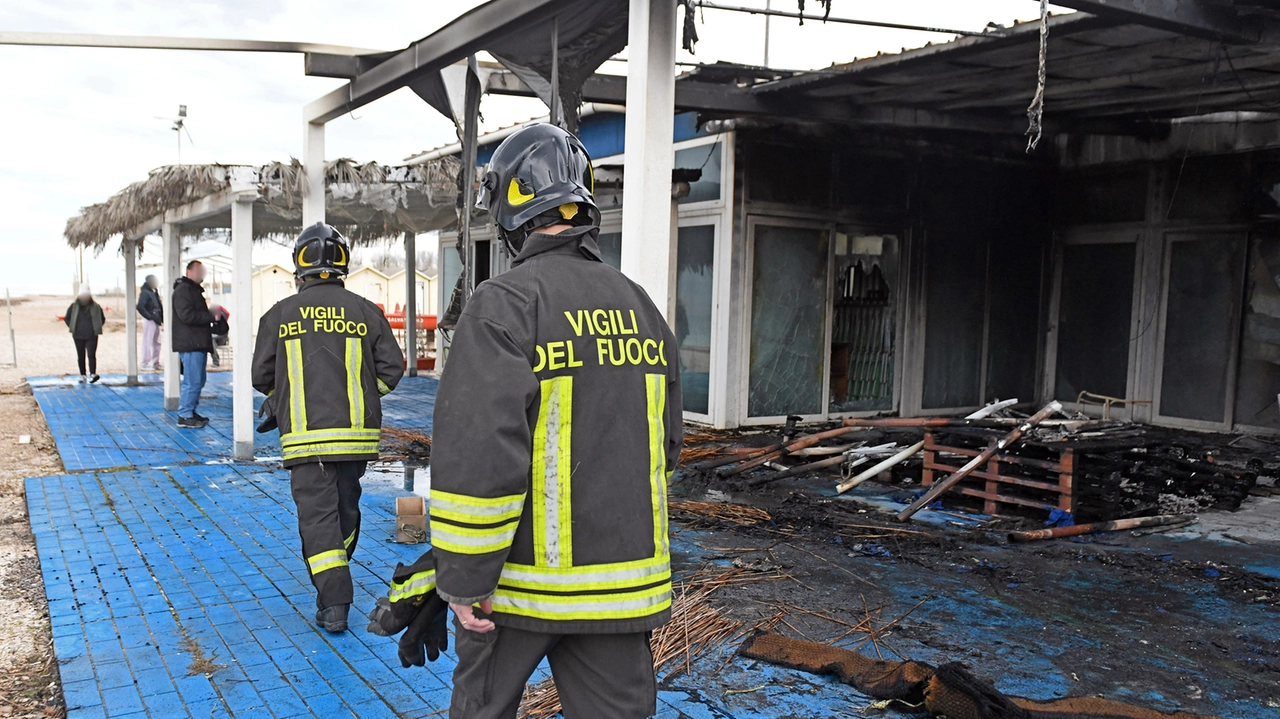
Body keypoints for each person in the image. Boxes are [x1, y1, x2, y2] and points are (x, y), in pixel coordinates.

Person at [428, 123, 683, 718]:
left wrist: (464, 581)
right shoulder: (641, 306)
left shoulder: (504, 304)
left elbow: (479, 457)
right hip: (621, 594)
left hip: (515, 591)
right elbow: (666, 449)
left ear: (511, 209)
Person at [251, 223, 405, 633]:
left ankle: (335, 601)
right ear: (342, 265)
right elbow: (394, 369)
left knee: (318, 521)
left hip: (306, 441)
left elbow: (260, 376)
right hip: (356, 438)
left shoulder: (280, 314)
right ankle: (333, 578)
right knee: (345, 514)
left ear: (299, 266)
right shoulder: (366, 311)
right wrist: (357, 392)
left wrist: (287, 396)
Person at [171, 260, 225, 429]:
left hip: (196, 342)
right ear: (189, 272)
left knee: (198, 380)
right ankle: (185, 414)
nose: (202, 274)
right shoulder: (183, 291)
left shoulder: (191, 290)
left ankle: (190, 411)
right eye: (198, 271)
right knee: (193, 381)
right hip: (191, 343)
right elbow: (187, 316)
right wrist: (210, 317)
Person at [65, 284, 104, 384]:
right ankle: (82, 374)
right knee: (80, 355)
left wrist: (96, 328)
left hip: (92, 335)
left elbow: (102, 319)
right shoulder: (73, 307)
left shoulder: (96, 307)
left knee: (91, 354)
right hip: (78, 335)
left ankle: (93, 373)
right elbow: (67, 318)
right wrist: (73, 327)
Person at [136, 274, 163, 371]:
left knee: (157, 342)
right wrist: (149, 316)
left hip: (156, 320)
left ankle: (156, 362)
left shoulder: (154, 292)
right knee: (147, 341)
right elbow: (140, 307)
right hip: (150, 320)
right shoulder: (145, 293)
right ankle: (145, 363)